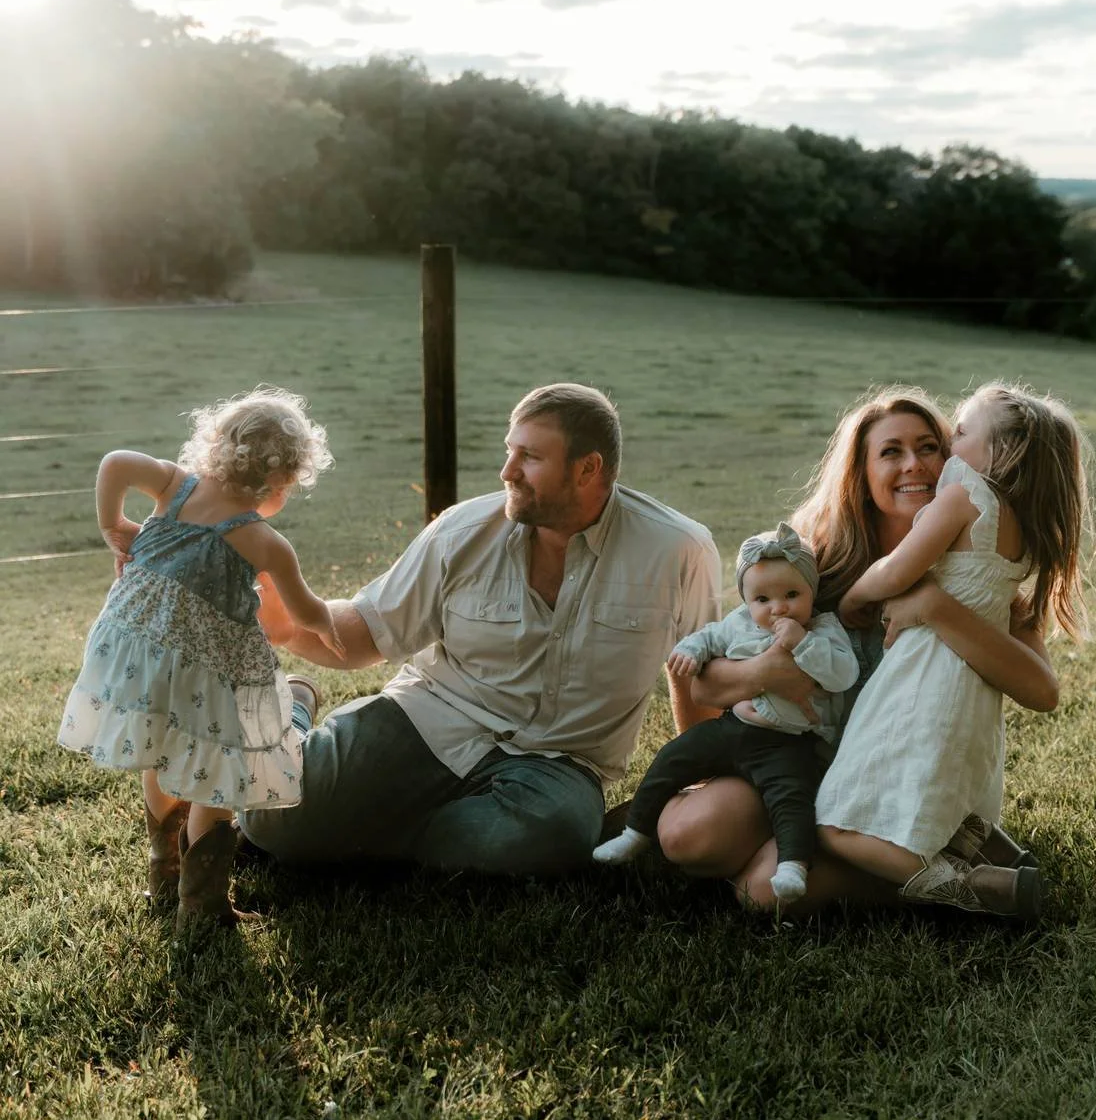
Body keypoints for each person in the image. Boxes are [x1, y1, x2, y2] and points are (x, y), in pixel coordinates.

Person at [241, 383, 722, 875]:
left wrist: (697, 785)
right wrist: (289, 624)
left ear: (588, 468)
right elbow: (367, 632)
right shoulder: (462, 531)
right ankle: (297, 710)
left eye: (529, 456)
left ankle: (392, 833)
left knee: (542, 839)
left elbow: (697, 672)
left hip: (558, 763)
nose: (507, 471)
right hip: (427, 720)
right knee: (269, 820)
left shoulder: (680, 550)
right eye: (509, 451)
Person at [656, 387, 1062, 914]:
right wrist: (771, 672)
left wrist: (936, 607)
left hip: (903, 787)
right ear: (861, 472)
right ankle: (814, 845)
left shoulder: (983, 581)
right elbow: (699, 678)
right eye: (890, 452)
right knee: (691, 835)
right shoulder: (813, 566)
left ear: (959, 458)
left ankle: (945, 876)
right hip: (799, 765)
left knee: (758, 892)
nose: (913, 464)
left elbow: (1042, 689)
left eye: (929, 447)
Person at [58, 387, 339, 930]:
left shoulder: (173, 486)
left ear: (214, 446)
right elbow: (305, 610)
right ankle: (203, 907)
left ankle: (163, 873)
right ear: (281, 483)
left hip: (137, 654)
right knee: (218, 773)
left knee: (162, 752)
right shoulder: (264, 541)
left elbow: (114, 462)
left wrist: (111, 524)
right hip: (208, 673)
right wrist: (329, 627)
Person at [819, 382, 1093, 916]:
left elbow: (900, 570)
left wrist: (858, 597)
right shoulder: (1013, 529)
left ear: (998, 454)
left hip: (924, 681)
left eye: (952, 436)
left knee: (835, 822)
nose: (931, 457)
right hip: (971, 700)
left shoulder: (965, 494)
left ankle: (966, 887)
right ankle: (976, 845)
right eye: (891, 451)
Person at [593, 523, 858, 902]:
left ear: (812, 593)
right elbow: (709, 637)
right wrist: (691, 651)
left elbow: (843, 674)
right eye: (762, 599)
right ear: (747, 601)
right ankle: (634, 834)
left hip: (785, 743)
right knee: (673, 757)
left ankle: (793, 867)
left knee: (791, 797)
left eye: (792, 595)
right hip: (733, 728)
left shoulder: (822, 629)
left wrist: (802, 644)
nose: (778, 607)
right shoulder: (740, 623)